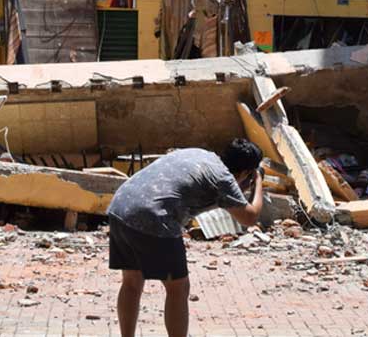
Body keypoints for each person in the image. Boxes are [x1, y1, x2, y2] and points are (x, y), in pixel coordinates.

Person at [106, 138, 264, 337]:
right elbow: (250, 217)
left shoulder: (201, 154)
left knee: (131, 282)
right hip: (154, 216)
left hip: (120, 207)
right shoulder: (223, 178)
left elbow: (227, 196)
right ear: (245, 172)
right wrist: (259, 183)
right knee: (178, 288)